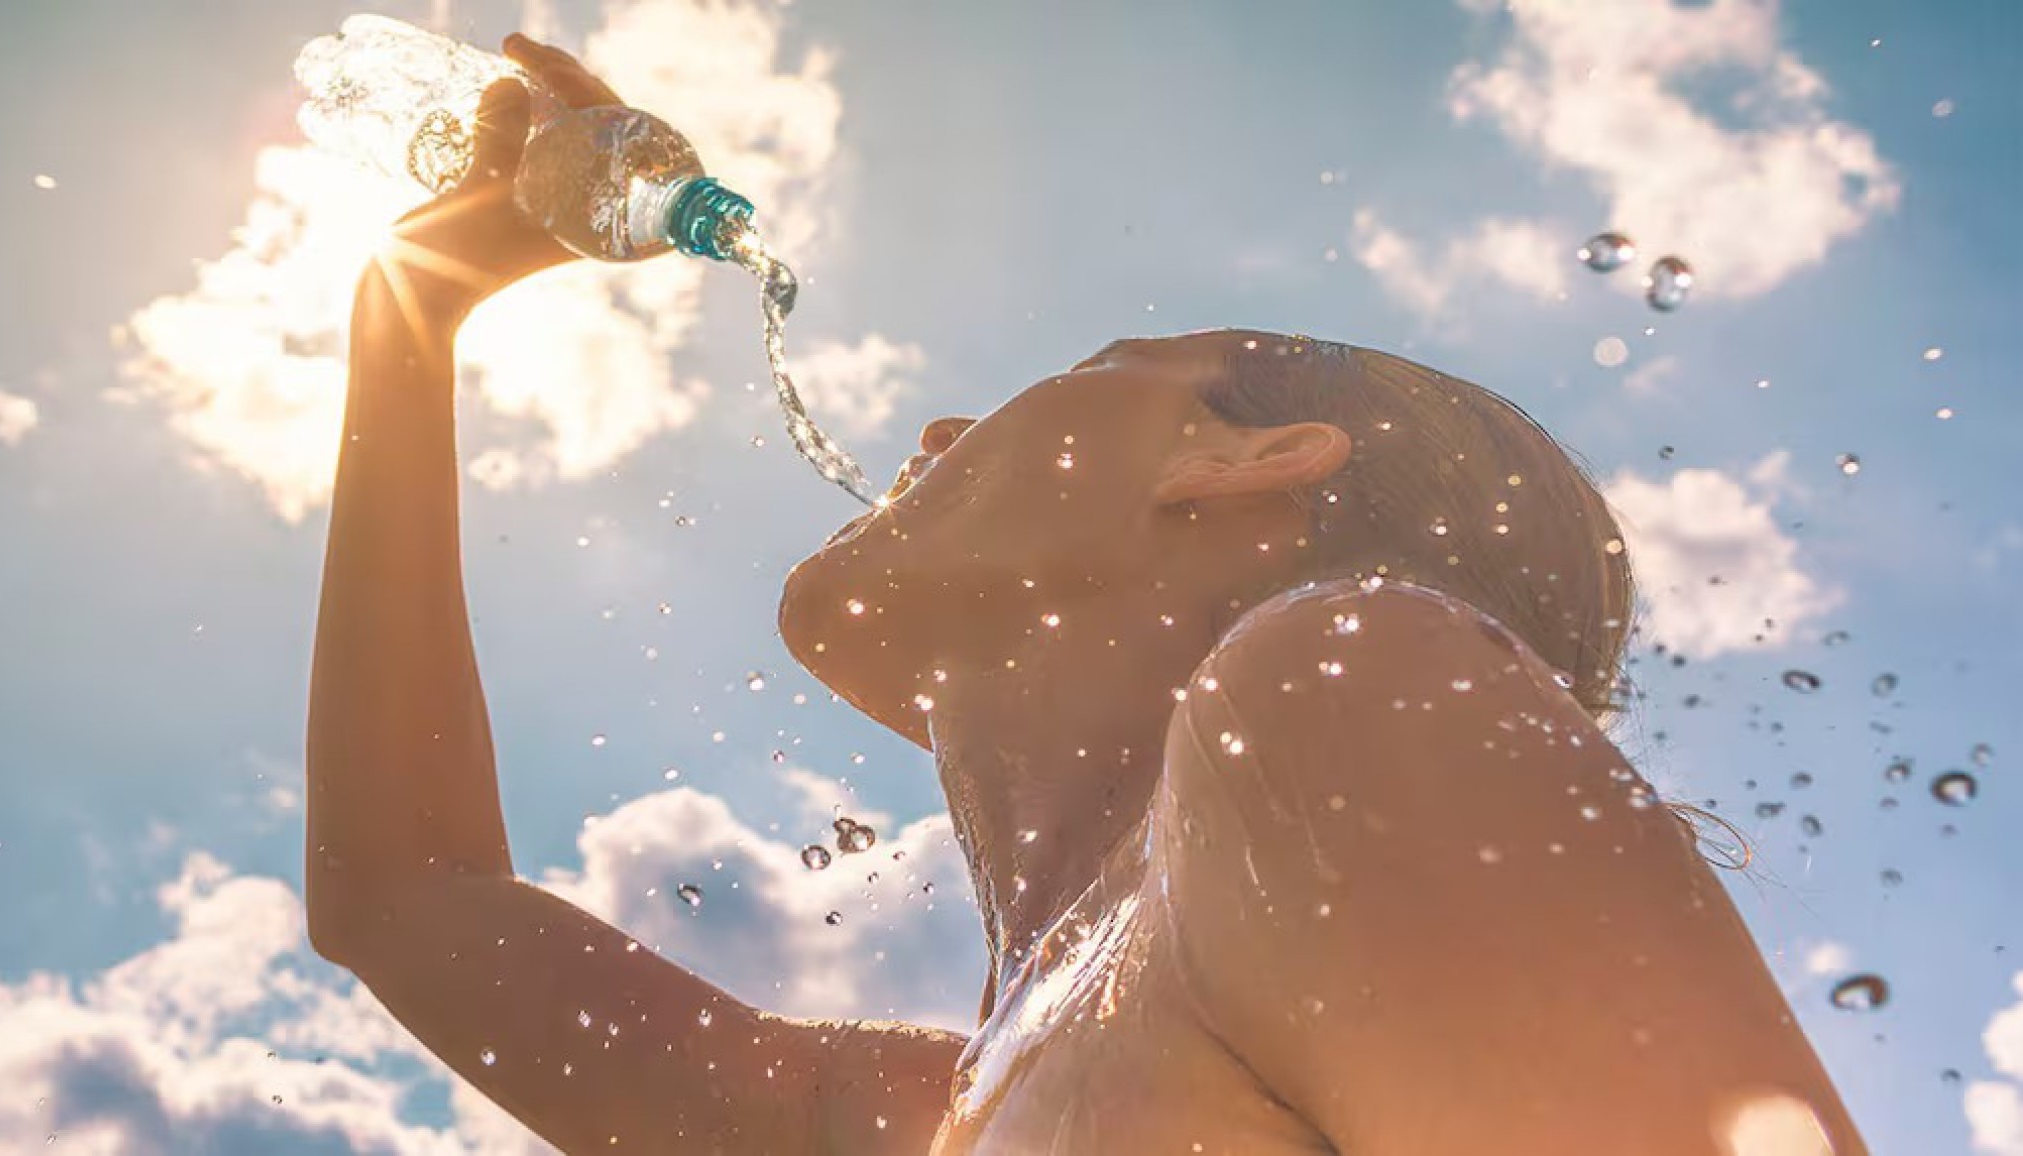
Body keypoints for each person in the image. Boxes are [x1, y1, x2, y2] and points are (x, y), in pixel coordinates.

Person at [305, 34, 1871, 1156]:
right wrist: (412, 313)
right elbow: (406, 900)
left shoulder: (1341, 691)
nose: (935, 432)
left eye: (1077, 375)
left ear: (1238, 461)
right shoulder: (942, 1103)